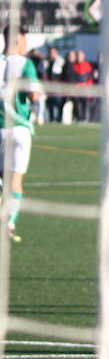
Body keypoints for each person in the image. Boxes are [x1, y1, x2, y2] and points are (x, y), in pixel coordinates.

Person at [0, 30, 41, 241]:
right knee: (15, 181)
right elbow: (34, 95)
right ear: (19, 40)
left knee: (3, 180)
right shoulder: (25, 64)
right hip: (19, 128)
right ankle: (9, 223)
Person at [70, 49, 95, 121]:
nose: (78, 57)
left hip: (85, 89)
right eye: (77, 55)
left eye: (80, 55)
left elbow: (90, 78)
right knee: (77, 104)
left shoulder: (87, 65)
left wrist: (88, 87)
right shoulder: (73, 65)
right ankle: (78, 118)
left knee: (85, 103)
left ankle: (85, 118)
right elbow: (72, 77)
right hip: (76, 89)